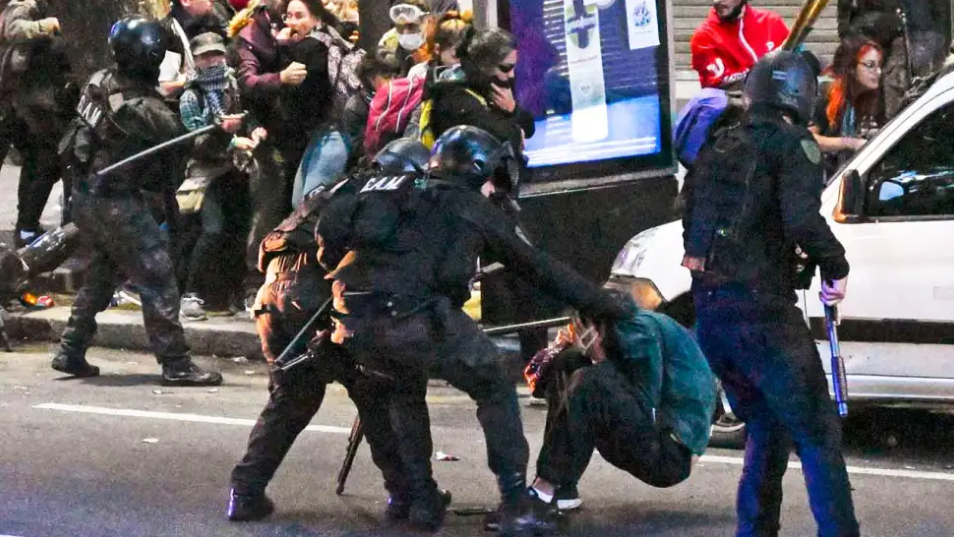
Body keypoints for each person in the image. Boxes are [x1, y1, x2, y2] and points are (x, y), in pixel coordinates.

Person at [316, 125, 628, 535]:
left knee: (403, 391)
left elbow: (328, 236)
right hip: (414, 316)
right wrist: (605, 305)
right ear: (478, 169)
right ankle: (517, 503)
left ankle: (421, 501)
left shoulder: (388, 188)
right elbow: (539, 269)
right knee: (494, 384)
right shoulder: (468, 206)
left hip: (353, 318)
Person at [682, 50, 859, 537]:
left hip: (713, 316)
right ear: (798, 95)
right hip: (764, 314)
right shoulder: (792, 144)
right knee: (818, 433)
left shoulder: (718, 145)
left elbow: (690, 223)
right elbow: (801, 219)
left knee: (766, 424)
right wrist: (835, 264)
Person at [228, 139, 445, 523]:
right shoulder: (385, 197)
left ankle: (245, 490)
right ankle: (405, 493)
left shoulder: (338, 188)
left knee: (292, 398)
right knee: (376, 389)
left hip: (273, 292)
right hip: (317, 295)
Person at [51, 16, 223, 387]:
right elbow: (190, 146)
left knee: (103, 271)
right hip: (116, 203)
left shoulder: (100, 81)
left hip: (85, 198)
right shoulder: (149, 111)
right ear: (152, 56)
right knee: (158, 275)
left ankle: (70, 349)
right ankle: (176, 363)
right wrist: (223, 132)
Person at [521, 288, 715, 519]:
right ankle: (562, 488)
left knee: (590, 381)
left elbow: (646, 407)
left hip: (672, 454)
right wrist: (561, 351)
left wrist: (599, 358)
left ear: (597, 327)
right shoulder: (622, 330)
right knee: (569, 362)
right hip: (650, 433)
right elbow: (539, 384)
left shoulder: (640, 332)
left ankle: (544, 490)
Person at [177, 32, 260, 320]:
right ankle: (191, 294)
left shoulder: (232, 85)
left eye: (216, 54)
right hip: (205, 172)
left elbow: (247, 116)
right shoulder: (191, 96)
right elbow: (194, 141)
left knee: (239, 231)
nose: (212, 61)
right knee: (211, 231)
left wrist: (252, 131)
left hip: (235, 168)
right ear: (196, 61)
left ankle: (235, 292)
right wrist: (227, 138)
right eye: (205, 56)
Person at [0, 0, 77, 247]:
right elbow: (13, 30)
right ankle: (27, 228)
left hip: (34, 106)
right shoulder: (25, 5)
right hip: (27, 105)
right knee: (43, 163)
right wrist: (47, 25)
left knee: (40, 164)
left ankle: (27, 227)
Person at [281, 0, 352, 206]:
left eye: (299, 15)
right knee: (299, 204)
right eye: (288, 16)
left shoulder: (312, 46)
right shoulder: (331, 39)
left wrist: (283, 46)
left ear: (316, 19)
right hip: (322, 134)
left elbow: (291, 96)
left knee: (307, 208)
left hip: (333, 135)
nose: (292, 22)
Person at [423, 27, 534, 155]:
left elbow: (529, 128)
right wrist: (516, 130)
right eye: (505, 68)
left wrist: (513, 110)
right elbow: (503, 138)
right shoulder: (453, 95)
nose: (511, 75)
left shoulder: (484, 88)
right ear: (483, 65)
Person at [837, 0, 948, 120]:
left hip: (900, 33)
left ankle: (893, 122)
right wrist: (846, 34)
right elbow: (845, 10)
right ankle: (863, 119)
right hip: (865, 32)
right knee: (864, 79)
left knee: (895, 80)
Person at [810, 36, 884, 177]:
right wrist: (850, 143)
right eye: (870, 65)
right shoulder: (826, 91)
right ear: (850, 67)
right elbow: (807, 139)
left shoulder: (858, 97)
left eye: (879, 65)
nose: (878, 72)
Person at [690, 0, 790, 89]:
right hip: (735, 104)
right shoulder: (704, 36)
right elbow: (717, 85)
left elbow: (796, 65)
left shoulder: (771, 22)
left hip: (779, 100)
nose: (718, 1)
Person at [341, 47, 402, 167]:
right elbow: (361, 151)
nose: (394, 81)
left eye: (396, 75)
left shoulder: (406, 97)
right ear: (370, 78)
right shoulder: (355, 108)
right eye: (387, 76)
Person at [159, 0, 229, 99]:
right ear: (186, 1)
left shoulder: (217, 13)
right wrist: (192, 78)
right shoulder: (170, 34)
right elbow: (164, 88)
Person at [378, 0, 429, 76]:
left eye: (411, 26)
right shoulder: (387, 42)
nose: (405, 32)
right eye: (400, 27)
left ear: (426, 20)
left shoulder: (439, 43)